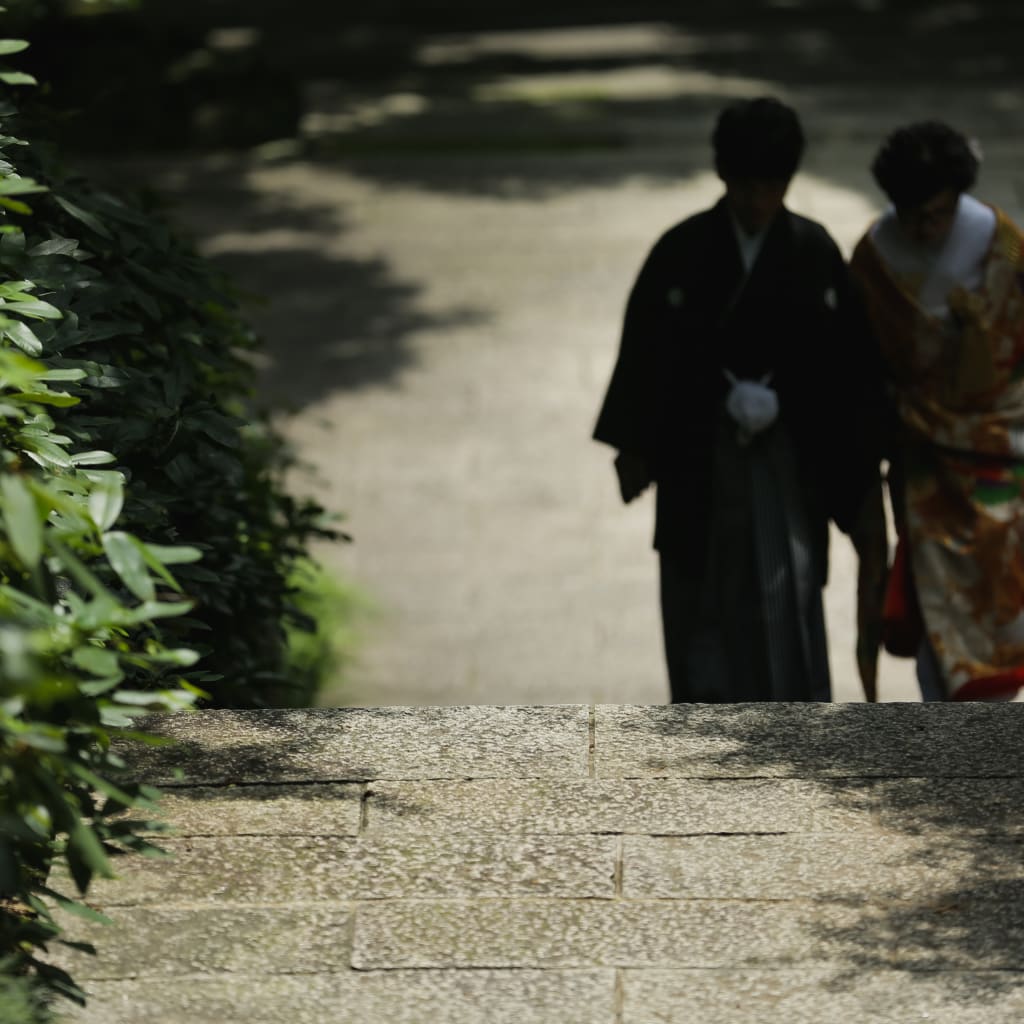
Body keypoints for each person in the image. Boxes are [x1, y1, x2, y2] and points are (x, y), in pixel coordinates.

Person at [593, 96, 882, 704]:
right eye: (746, 185)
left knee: (790, 595)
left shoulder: (812, 252)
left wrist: (849, 469)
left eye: (772, 186)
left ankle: (795, 733)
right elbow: (648, 355)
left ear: (788, 182)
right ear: (724, 177)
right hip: (702, 461)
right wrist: (638, 448)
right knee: (700, 611)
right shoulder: (681, 251)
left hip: (788, 463)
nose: (757, 201)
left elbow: (846, 371)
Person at [850, 121, 1024, 702]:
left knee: (1002, 596)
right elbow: (859, 363)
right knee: (935, 601)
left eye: (938, 213)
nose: (926, 228)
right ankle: (944, 725)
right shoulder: (874, 259)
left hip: (1002, 448)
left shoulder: (1004, 244)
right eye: (913, 215)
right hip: (921, 457)